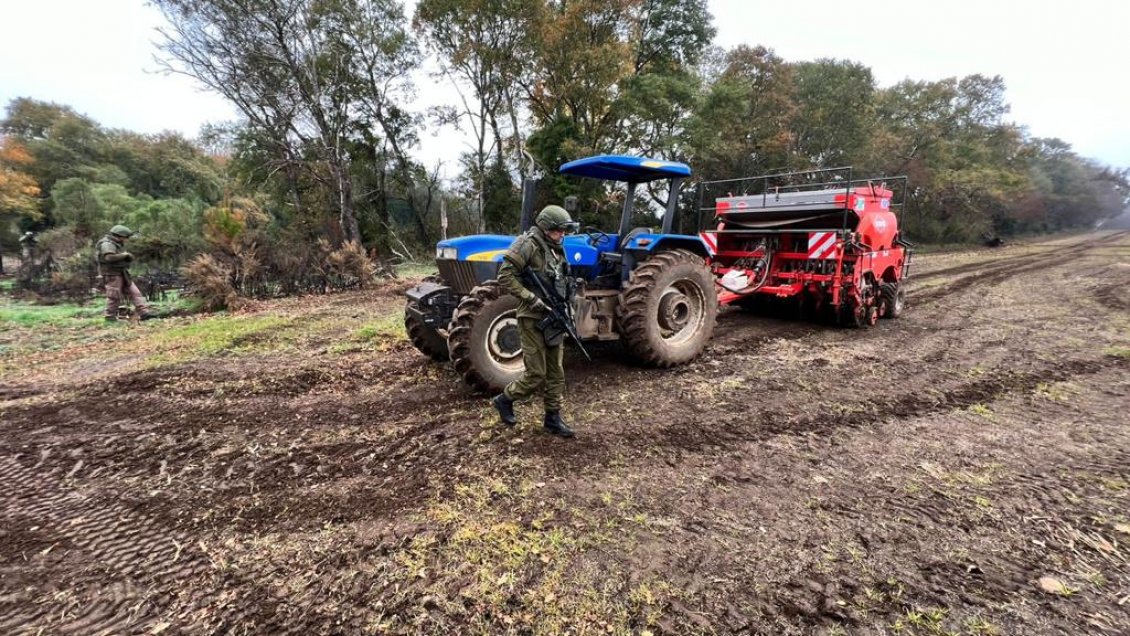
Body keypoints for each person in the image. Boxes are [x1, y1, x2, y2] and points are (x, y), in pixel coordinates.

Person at [492, 205, 580, 438]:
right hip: (532, 317)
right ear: (546, 227)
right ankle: (504, 399)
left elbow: (564, 278)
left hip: (555, 316)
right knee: (536, 374)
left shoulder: (557, 249)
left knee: (556, 373)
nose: (562, 235)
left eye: (564, 231)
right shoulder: (527, 244)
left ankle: (553, 418)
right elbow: (505, 276)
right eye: (558, 230)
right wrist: (531, 298)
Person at [96, 225, 156, 321]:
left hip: (122, 272)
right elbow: (109, 257)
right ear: (119, 236)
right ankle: (110, 317)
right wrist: (124, 255)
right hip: (112, 274)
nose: (127, 239)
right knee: (114, 295)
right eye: (126, 237)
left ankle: (144, 313)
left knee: (135, 293)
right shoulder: (107, 244)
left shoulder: (115, 243)